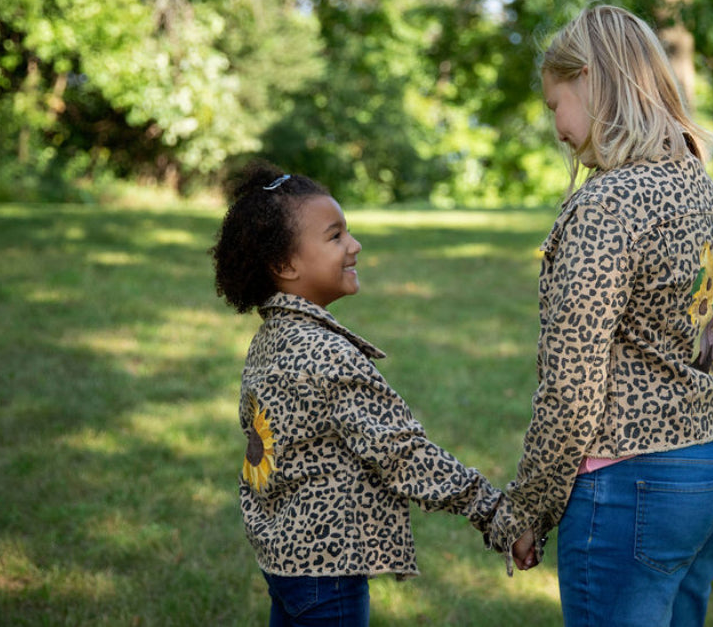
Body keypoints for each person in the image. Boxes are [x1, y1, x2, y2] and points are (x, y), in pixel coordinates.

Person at [486, 4, 713, 627]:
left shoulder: (608, 206)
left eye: (556, 106)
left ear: (591, 81)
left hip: (635, 480)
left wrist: (527, 507)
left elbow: (572, 388)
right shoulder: (710, 198)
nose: (556, 129)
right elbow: (707, 341)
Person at [211, 161, 501, 627]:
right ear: (285, 265)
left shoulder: (270, 339)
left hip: (286, 562)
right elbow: (400, 451)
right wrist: (489, 508)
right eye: (335, 236)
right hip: (328, 572)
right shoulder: (325, 354)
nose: (355, 245)